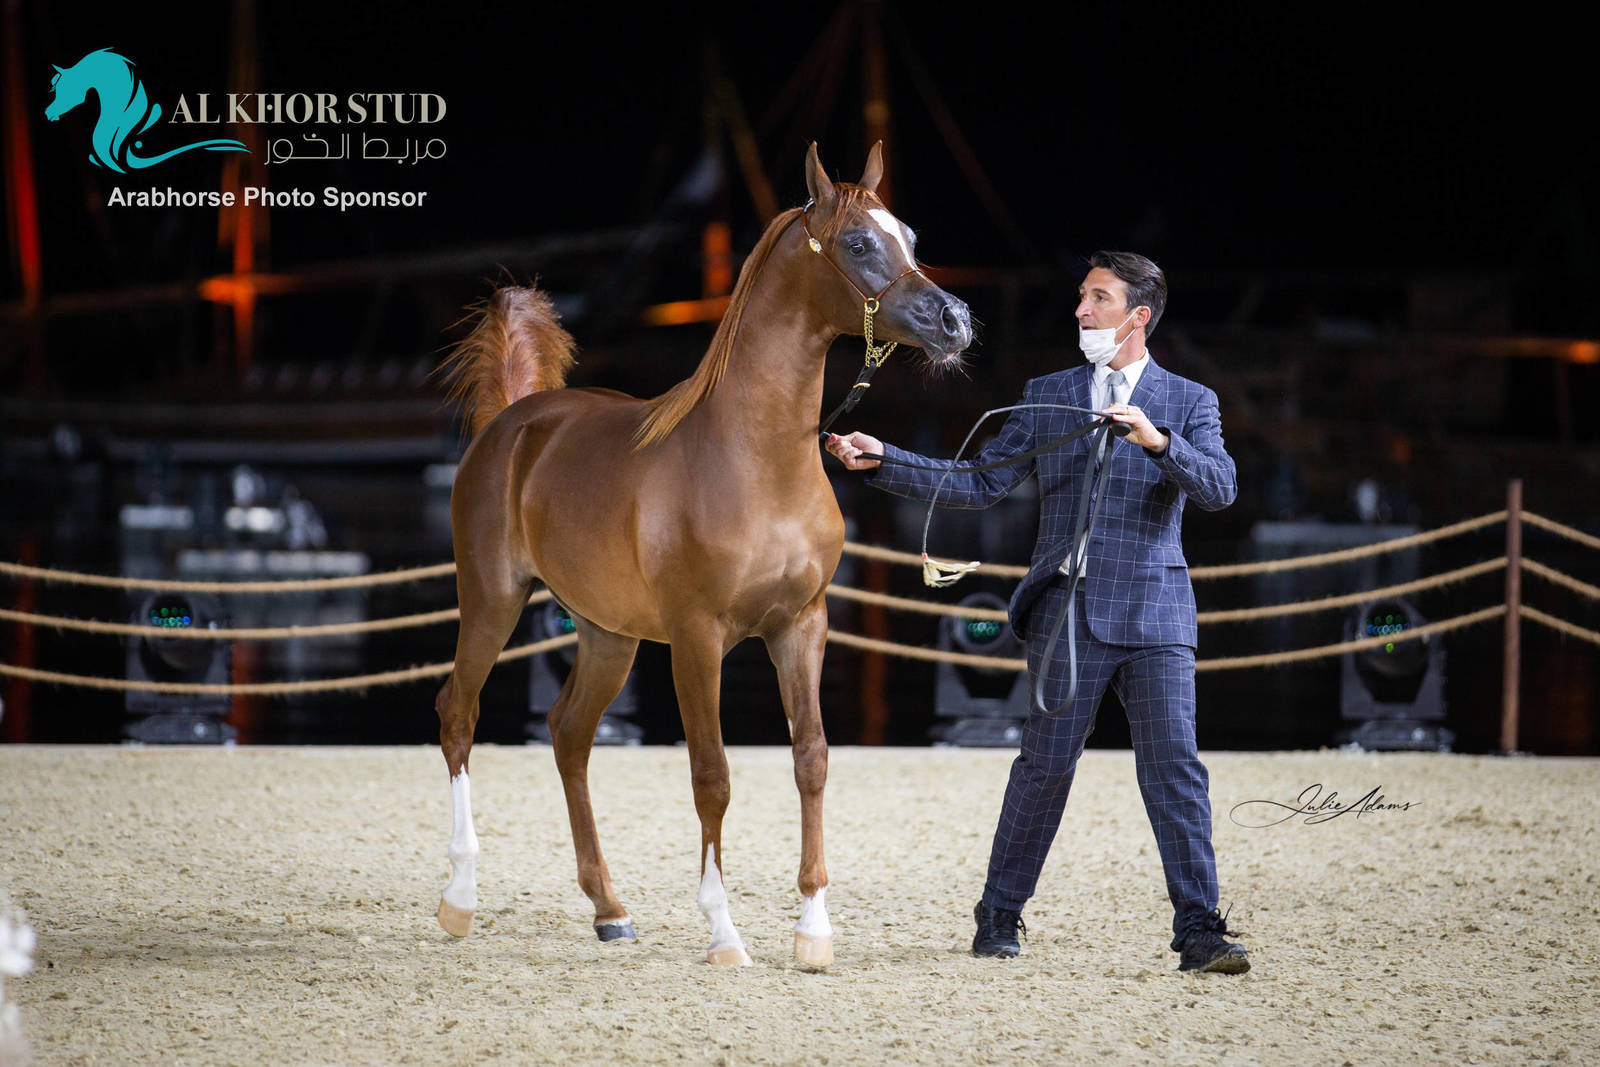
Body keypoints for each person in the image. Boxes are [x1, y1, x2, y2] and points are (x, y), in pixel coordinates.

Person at [827, 251, 1249, 973]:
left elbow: (1220, 487)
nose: (1082, 311)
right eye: (1082, 297)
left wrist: (1157, 440)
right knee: (1043, 768)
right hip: (1067, 613)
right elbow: (981, 481)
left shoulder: (1188, 401)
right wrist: (887, 459)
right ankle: (999, 913)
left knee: (1174, 768)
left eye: (1098, 299)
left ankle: (1200, 930)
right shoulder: (1049, 392)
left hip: (1154, 615)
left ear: (1137, 316)